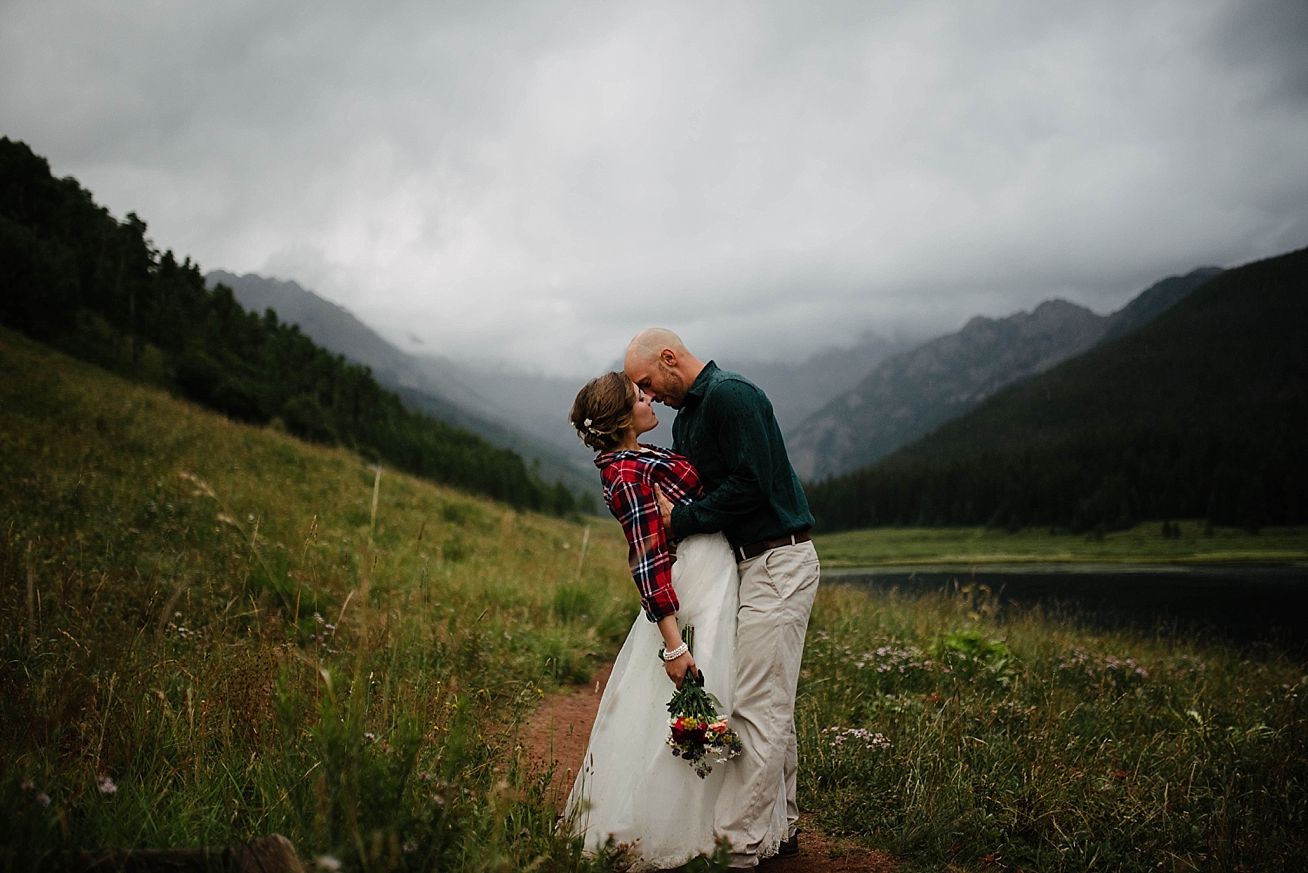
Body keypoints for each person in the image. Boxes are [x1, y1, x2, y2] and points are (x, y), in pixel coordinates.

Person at [562, 372, 788, 870]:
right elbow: (646, 560)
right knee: (702, 693)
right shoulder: (623, 472)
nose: (649, 399)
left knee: (728, 690)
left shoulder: (638, 457)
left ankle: (719, 821)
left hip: (711, 576)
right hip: (692, 586)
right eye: (639, 397)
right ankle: (682, 828)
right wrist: (673, 645)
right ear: (623, 418)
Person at [625, 328, 820, 870]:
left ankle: (735, 848)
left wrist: (680, 518)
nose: (649, 396)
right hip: (745, 566)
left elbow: (752, 483)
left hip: (777, 559)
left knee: (758, 705)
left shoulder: (734, 396)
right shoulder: (689, 416)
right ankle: (782, 826)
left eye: (646, 383)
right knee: (767, 696)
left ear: (669, 358)